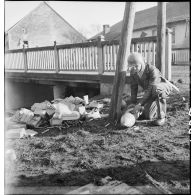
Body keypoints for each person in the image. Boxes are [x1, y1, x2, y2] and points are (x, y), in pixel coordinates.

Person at [127, 52, 173, 126]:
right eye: (132, 66)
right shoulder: (133, 72)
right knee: (149, 116)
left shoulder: (152, 70)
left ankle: (162, 116)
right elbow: (133, 87)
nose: (134, 68)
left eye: (136, 66)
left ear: (142, 63)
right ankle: (149, 107)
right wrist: (133, 103)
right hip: (150, 92)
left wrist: (140, 103)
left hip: (161, 88)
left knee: (156, 88)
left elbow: (151, 88)